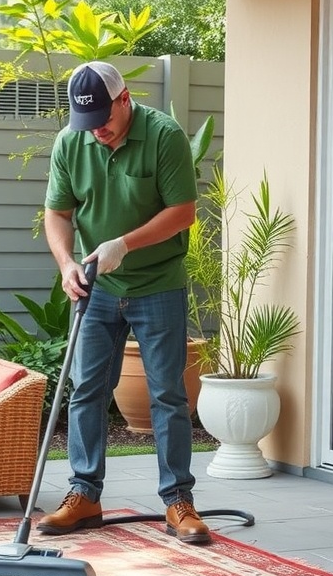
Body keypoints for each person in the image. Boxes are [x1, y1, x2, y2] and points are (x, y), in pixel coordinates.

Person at [37, 60, 212, 546]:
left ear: (125, 98)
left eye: (104, 121)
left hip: (157, 284)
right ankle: (84, 494)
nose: (97, 133)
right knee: (87, 389)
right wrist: (66, 263)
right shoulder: (72, 141)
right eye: (86, 124)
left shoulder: (164, 136)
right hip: (97, 287)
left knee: (167, 395)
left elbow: (183, 213)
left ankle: (178, 500)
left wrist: (125, 244)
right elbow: (57, 213)